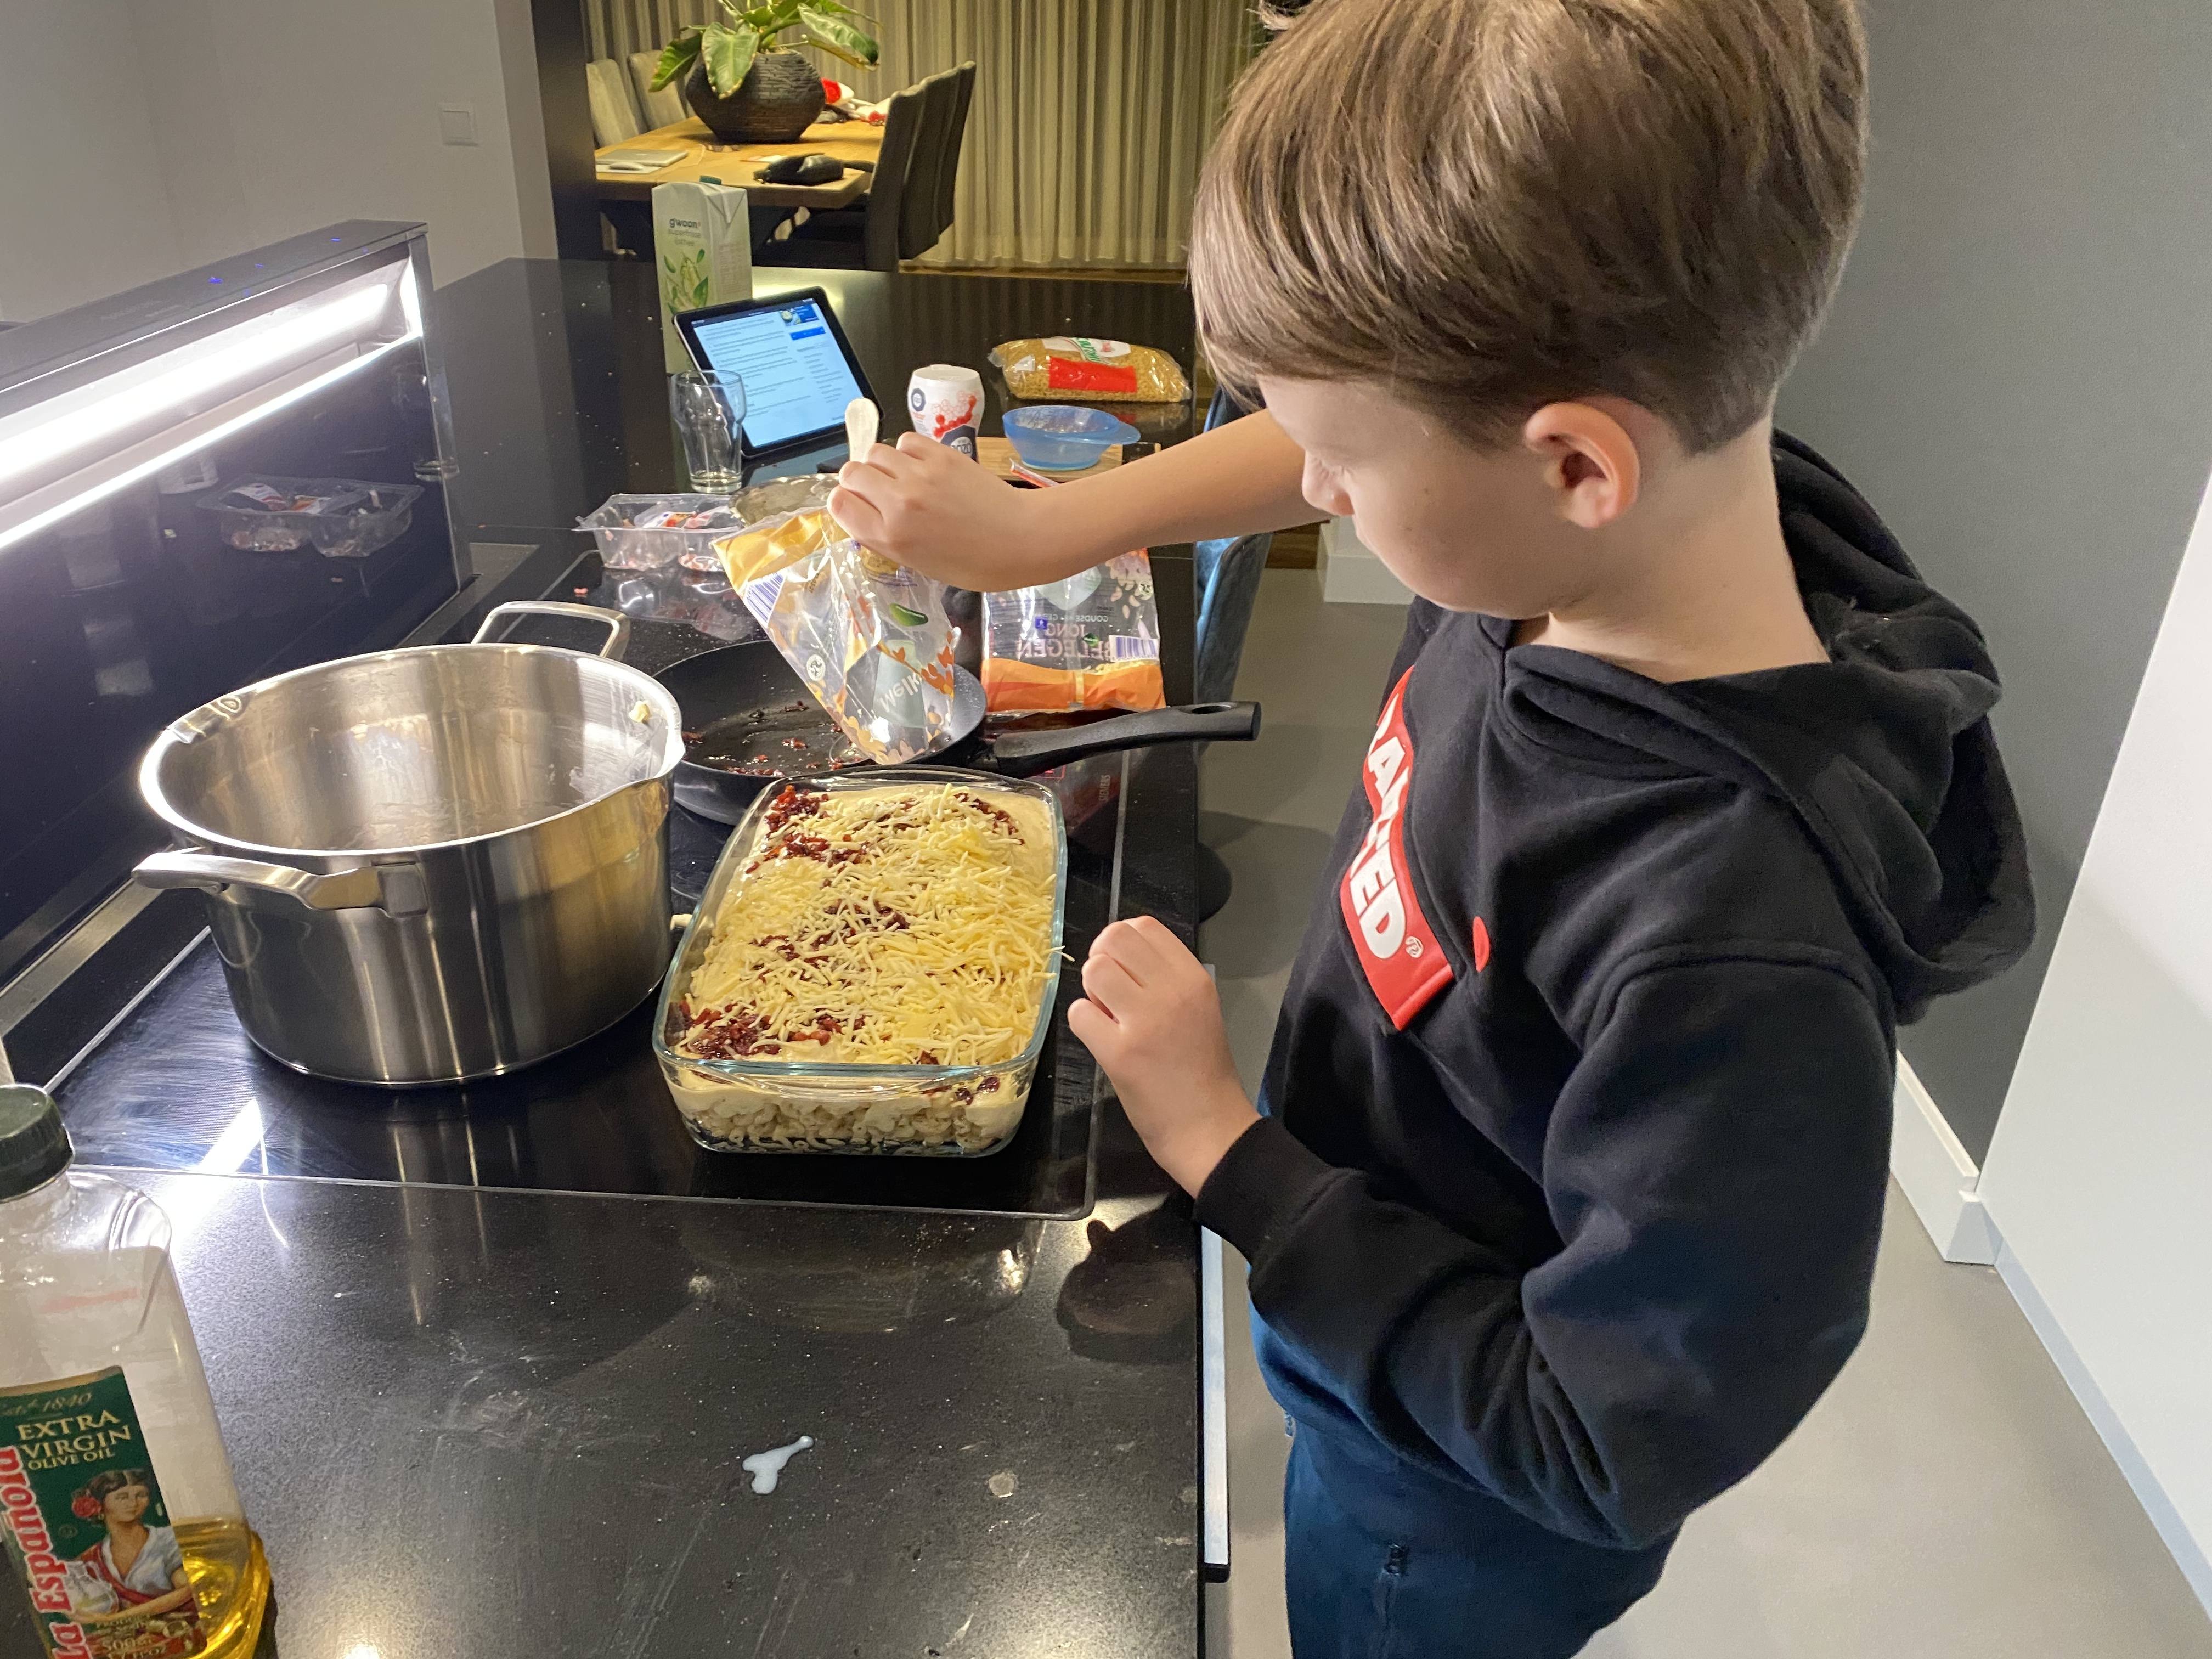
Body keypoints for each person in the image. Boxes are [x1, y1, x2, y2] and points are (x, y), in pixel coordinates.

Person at [830, 0, 2033, 1652]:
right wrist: (1066, 530)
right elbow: (1380, 419)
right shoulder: (1582, 535)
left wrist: (1231, 1155)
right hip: (1367, 1317)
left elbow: (1591, 1441)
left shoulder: (1732, 950)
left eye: (1338, 460)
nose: (1314, 486)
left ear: (1577, 466)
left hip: (1454, 1522)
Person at [67, 1469, 199, 1624]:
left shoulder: (168, 1539)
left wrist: (115, 1619)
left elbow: (187, 1590)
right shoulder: (92, 1558)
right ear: (100, 1505)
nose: (133, 1503)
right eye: (122, 1497)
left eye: (141, 1495)